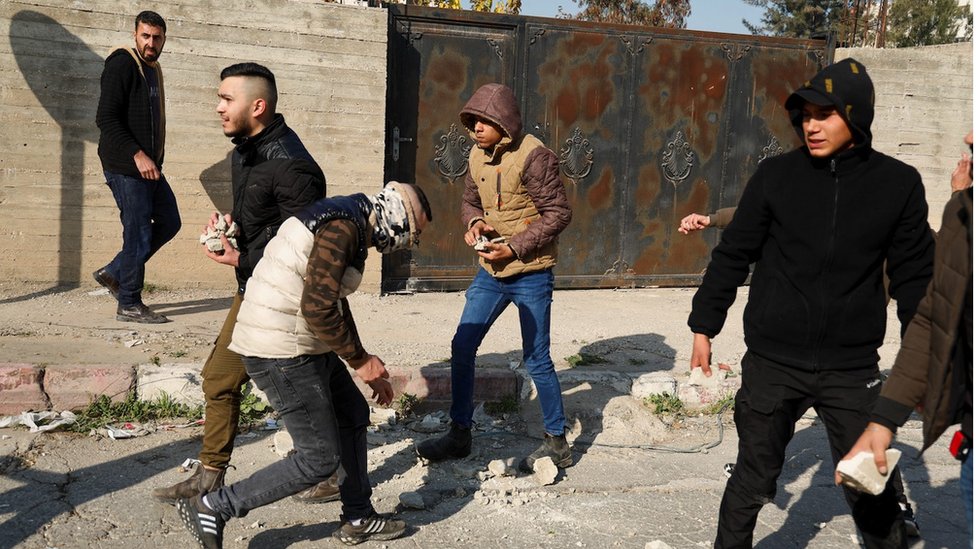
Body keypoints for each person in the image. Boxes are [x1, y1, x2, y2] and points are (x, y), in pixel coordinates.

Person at [687, 58, 934, 548]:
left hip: (851, 368)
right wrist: (704, 325)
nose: (811, 126)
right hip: (773, 363)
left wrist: (923, 366)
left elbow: (915, 284)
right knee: (753, 480)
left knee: (870, 485)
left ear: (855, 117)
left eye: (825, 114)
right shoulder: (776, 176)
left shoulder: (898, 185)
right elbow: (734, 253)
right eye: (804, 115)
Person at [176, 182, 431, 548]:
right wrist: (359, 361)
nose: (408, 241)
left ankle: (359, 517)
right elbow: (318, 308)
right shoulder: (344, 227)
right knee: (318, 459)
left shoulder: (347, 218)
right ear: (395, 217)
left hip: (300, 340)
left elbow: (333, 301)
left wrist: (364, 359)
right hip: (281, 349)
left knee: (353, 415)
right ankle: (215, 506)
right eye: (412, 231)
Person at [151, 63, 338, 504]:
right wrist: (231, 229)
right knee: (221, 380)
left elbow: (308, 249)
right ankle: (210, 475)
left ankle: (331, 475)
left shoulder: (293, 167)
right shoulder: (243, 153)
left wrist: (243, 256)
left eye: (226, 99)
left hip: (287, 300)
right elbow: (263, 221)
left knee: (317, 388)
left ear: (258, 105)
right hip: (253, 289)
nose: (218, 108)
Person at [415, 83, 573, 472]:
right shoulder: (475, 156)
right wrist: (475, 222)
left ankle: (557, 441)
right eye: (472, 122)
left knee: (536, 359)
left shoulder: (535, 156)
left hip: (530, 273)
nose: (475, 130)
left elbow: (558, 214)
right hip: (490, 270)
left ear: (505, 122)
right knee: (463, 345)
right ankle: (460, 434)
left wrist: (515, 247)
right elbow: (470, 200)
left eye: (483, 122)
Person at [838, 130, 972, 544]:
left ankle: (896, 514)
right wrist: (885, 420)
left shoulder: (911, 234)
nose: (967, 137)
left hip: (858, 358)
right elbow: (933, 318)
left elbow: (924, 302)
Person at [94, 10, 181, 323]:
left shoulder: (153, 69)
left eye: (157, 37)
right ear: (135, 35)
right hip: (126, 166)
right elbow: (105, 118)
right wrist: (137, 154)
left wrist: (152, 159)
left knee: (170, 222)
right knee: (138, 233)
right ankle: (129, 302)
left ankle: (116, 271)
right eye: (146, 36)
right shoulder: (122, 64)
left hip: (150, 168)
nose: (151, 42)